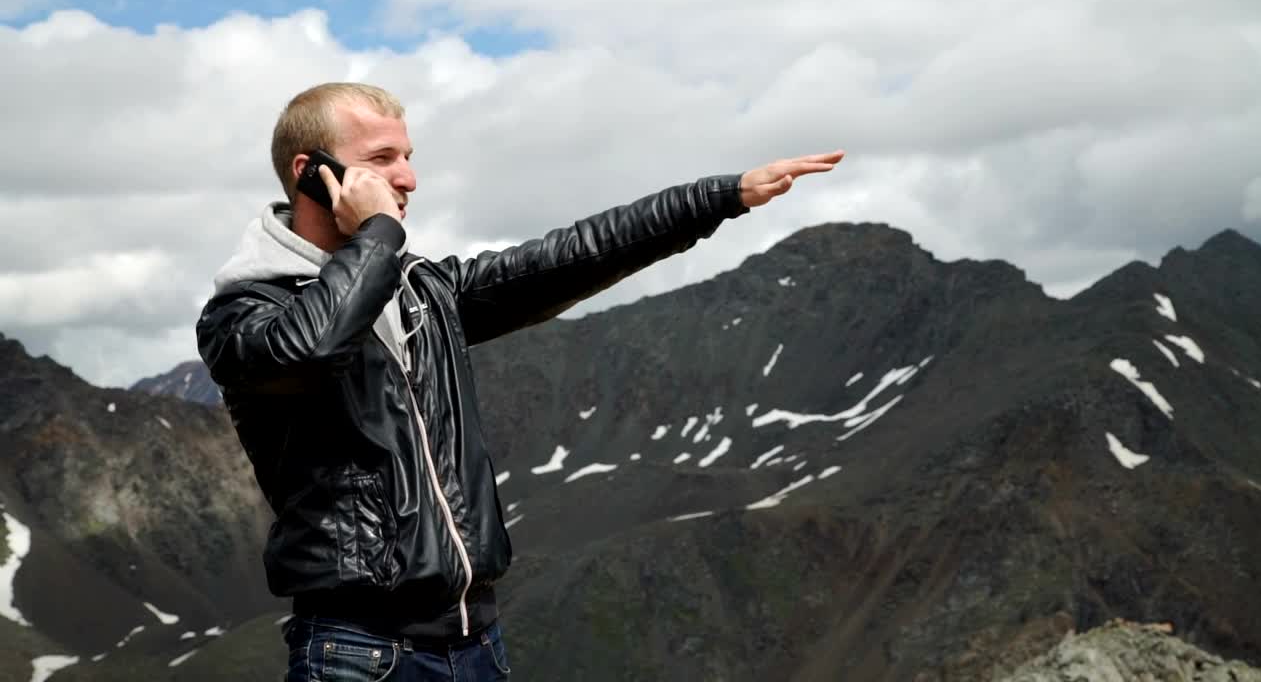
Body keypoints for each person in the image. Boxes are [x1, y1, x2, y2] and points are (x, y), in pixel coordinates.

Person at [195, 81, 843, 681]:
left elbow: (570, 255)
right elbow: (314, 344)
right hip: (357, 652)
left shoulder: (424, 290)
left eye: (409, 156)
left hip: (476, 644)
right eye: (382, 157)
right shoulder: (245, 315)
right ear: (311, 175)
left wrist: (718, 197)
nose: (408, 178)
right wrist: (379, 232)